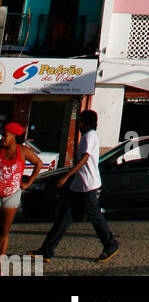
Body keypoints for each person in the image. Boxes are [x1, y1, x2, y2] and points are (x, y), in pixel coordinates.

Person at [37, 109, 118, 264]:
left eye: (80, 120)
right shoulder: (87, 136)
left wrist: (67, 176)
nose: (78, 123)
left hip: (87, 184)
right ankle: (46, 250)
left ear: (86, 123)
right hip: (79, 184)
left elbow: (84, 159)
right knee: (64, 218)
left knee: (95, 217)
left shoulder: (90, 136)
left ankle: (110, 244)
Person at [0, 122, 43, 269]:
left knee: (4, 231)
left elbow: (38, 163)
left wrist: (28, 183)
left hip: (11, 195)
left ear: (13, 137)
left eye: (5, 136)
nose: (2, 138)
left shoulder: (23, 151)